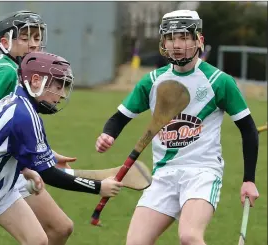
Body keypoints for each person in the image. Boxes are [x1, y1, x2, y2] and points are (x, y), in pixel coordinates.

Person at [95, 10, 259, 245]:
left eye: (184, 37)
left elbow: (248, 130)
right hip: (164, 174)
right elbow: (119, 118)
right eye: (171, 38)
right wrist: (107, 135)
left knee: (189, 237)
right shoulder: (151, 81)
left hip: (202, 172)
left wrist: (249, 179)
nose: (177, 45)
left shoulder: (219, 82)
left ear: (198, 40)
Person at [0, 51, 123, 245]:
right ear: (35, 80)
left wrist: (26, 169)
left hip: (1, 191)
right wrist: (98, 187)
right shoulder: (23, 115)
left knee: (38, 241)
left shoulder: (21, 103)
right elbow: (49, 174)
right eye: (58, 86)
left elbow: (5, 147)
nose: (61, 95)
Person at [0, 10, 77, 244]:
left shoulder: (23, 73)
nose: (34, 44)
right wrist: (16, 158)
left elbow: (16, 130)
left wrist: (43, 155)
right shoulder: (5, 71)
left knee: (60, 228)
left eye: (37, 37)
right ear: (5, 42)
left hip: (8, 168)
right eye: (25, 38)